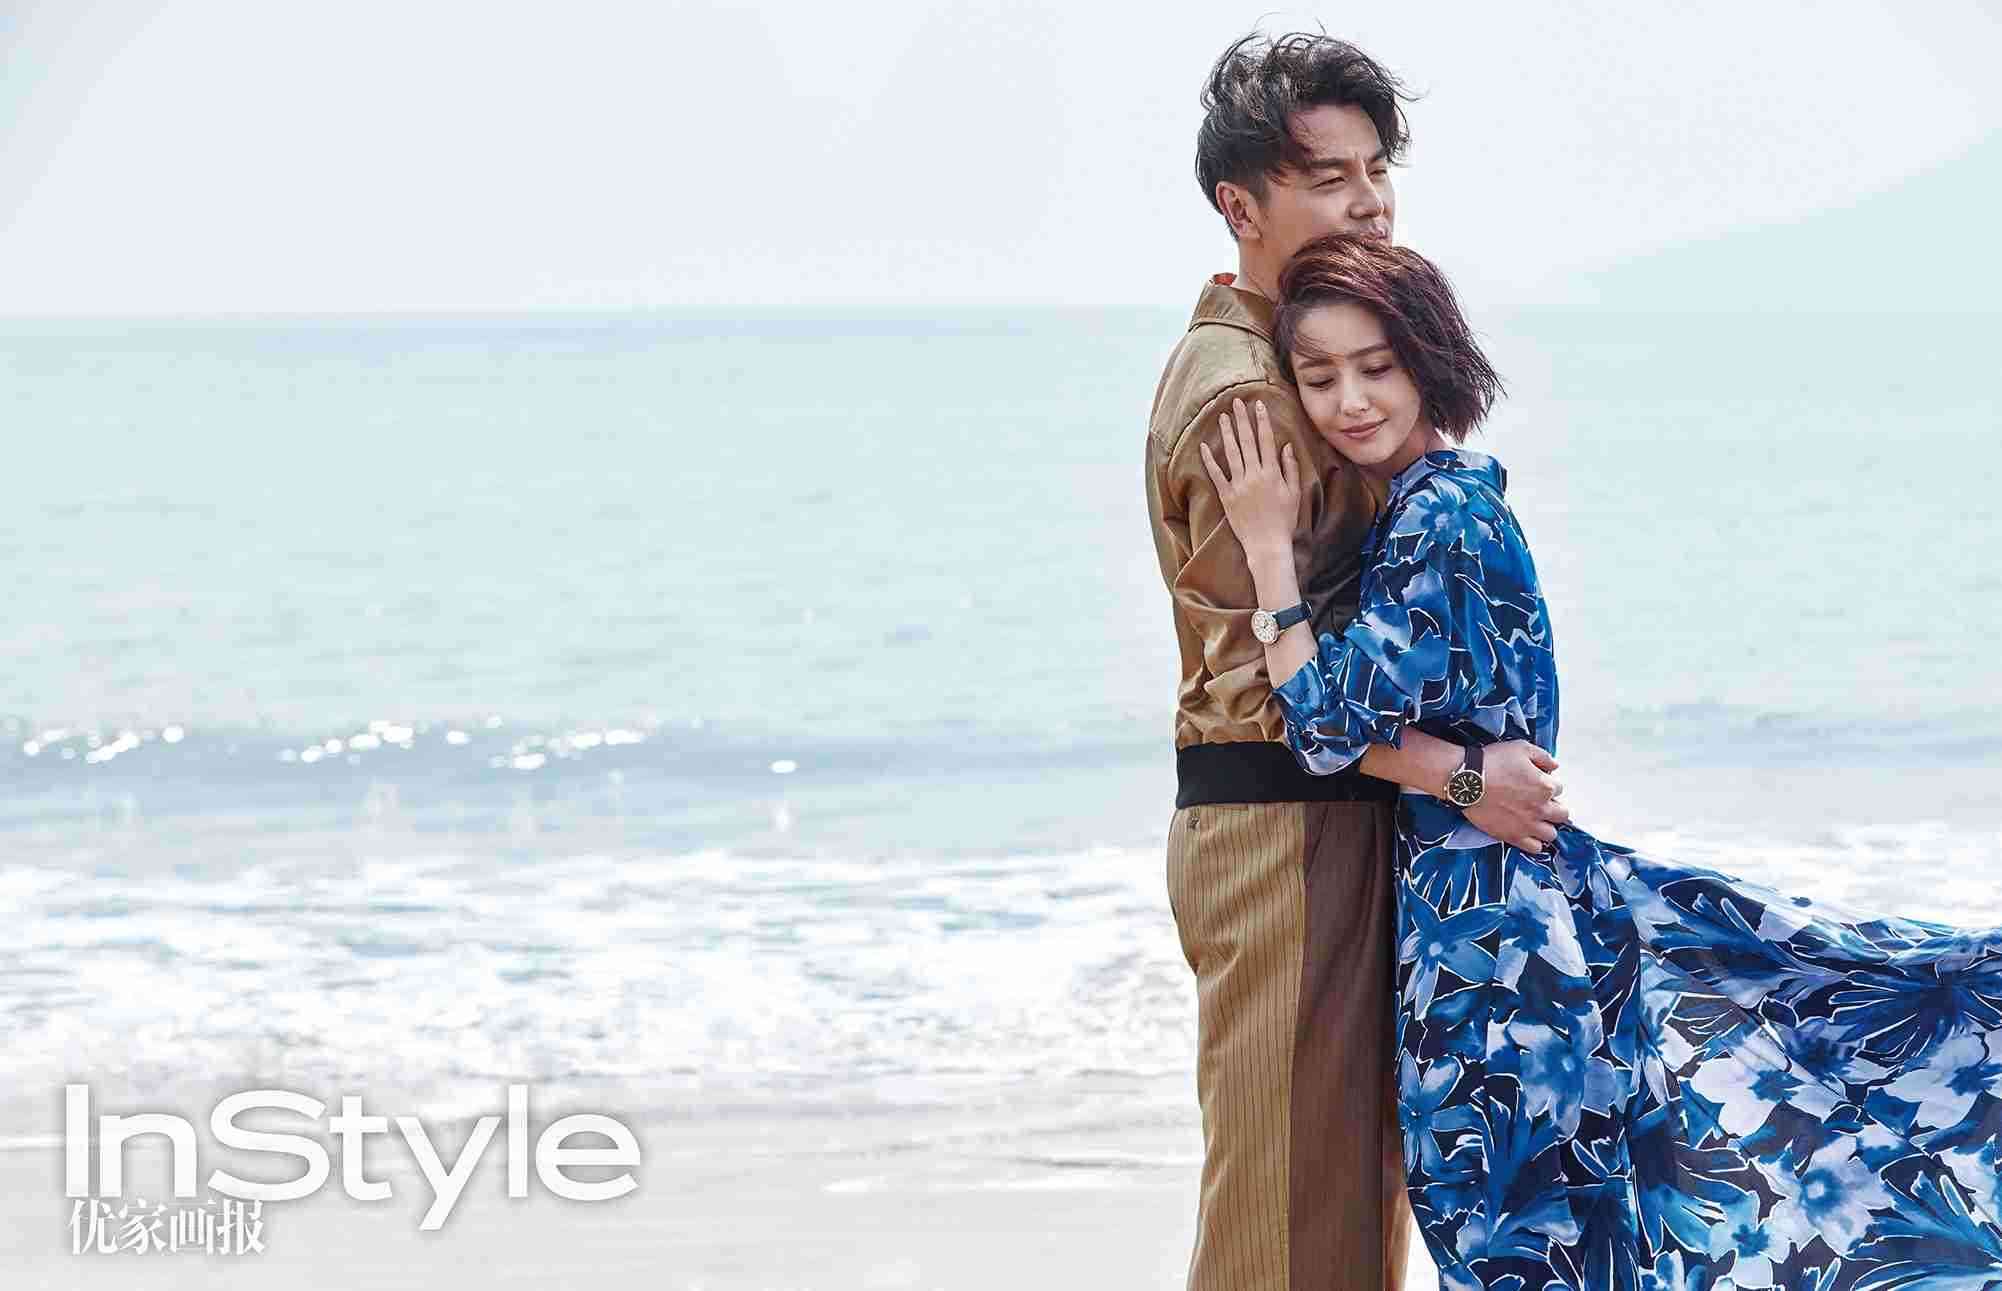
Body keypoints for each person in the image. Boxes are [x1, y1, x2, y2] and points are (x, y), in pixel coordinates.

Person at [1197, 230, 2002, 1289]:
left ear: (1428, 360)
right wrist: (1457, 774)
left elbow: (1320, 723)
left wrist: (1266, 549)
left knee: (1517, 1242)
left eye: (1376, 367)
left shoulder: (1442, 518)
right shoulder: (1441, 503)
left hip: (1492, 948)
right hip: (1499, 924)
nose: (1349, 401)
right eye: (1319, 378)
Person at [1146, 32, 1570, 1291]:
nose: (1370, 199)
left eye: (1375, 169)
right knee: (1283, 1219)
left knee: (1340, 1207)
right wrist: (1457, 776)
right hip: (1282, 831)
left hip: (1335, 825)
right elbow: (1267, 689)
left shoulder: (1295, 362)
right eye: (1329, 177)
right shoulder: (1248, 400)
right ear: (1242, 207)